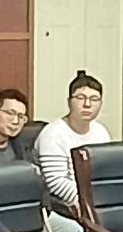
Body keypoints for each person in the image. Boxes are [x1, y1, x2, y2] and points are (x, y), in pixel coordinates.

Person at [34, 71, 113, 217]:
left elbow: (106, 173)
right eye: (80, 98)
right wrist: (88, 203)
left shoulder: (101, 131)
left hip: (98, 202)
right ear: (69, 101)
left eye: (94, 99)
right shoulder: (53, 133)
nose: (87, 104)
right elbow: (56, 182)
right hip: (64, 206)